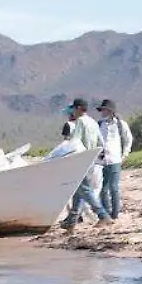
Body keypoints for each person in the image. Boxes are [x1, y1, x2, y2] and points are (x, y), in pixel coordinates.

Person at [59, 98, 112, 231]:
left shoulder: (80, 122)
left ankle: (103, 215)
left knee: (85, 190)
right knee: (79, 190)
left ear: (77, 109)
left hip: (81, 160)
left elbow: (75, 143)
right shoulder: (93, 122)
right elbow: (101, 142)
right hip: (92, 160)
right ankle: (71, 220)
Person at [95, 99, 132, 220]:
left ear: (110, 111)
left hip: (115, 159)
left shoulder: (121, 125)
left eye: (104, 109)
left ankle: (115, 214)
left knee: (114, 188)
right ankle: (106, 213)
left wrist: (125, 154)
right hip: (101, 160)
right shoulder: (100, 124)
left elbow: (128, 140)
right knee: (103, 188)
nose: (102, 112)